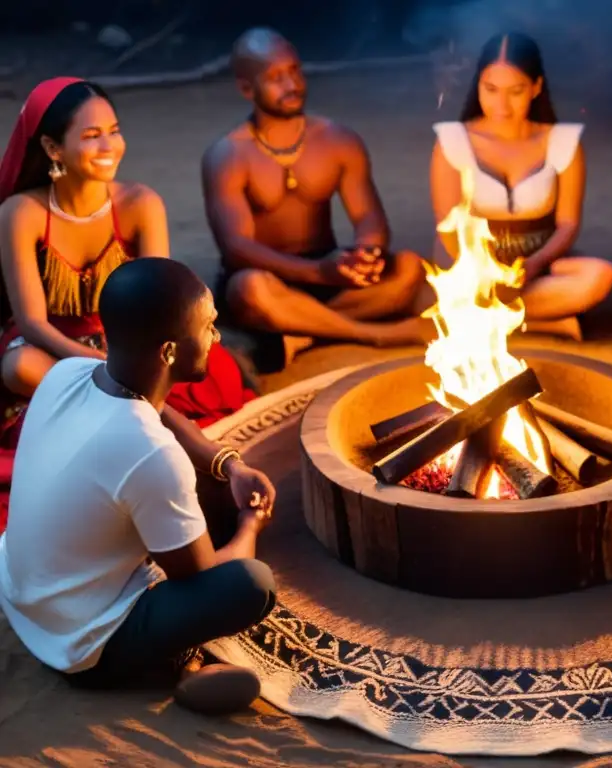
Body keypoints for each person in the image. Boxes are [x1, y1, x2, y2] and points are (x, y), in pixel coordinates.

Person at [0, 257, 277, 715]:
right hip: (81, 648)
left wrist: (228, 465)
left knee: (203, 490)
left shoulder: (65, 373)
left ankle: (179, 662)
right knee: (251, 584)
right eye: (208, 327)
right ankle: (173, 666)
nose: (217, 337)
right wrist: (251, 526)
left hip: (19, 596)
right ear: (168, 352)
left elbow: (159, 410)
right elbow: (202, 578)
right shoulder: (151, 453)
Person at [0, 77, 254, 533]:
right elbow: (32, 321)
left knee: (215, 371)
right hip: (53, 347)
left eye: (113, 130)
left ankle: (122, 405)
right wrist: (111, 366)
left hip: (133, 339)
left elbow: (164, 304)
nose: (110, 145)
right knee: (19, 369)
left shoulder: (140, 204)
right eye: (92, 135)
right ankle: (132, 408)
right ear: (53, 148)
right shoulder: (22, 212)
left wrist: (128, 360)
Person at [202, 27, 432, 372]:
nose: (292, 85)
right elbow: (237, 248)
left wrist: (366, 253)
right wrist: (319, 273)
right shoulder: (228, 154)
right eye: (276, 77)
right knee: (248, 289)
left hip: (330, 274)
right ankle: (374, 333)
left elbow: (369, 216)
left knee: (410, 267)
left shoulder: (337, 139)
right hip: (269, 277)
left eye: (295, 70)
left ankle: (300, 334)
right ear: (247, 88)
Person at [429, 32, 612, 341]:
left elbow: (568, 224)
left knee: (599, 276)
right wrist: (483, 275)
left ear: (536, 88)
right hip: (473, 269)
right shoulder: (453, 141)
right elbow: (448, 227)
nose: (501, 104)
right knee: (446, 290)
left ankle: (482, 323)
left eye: (515, 91)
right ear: (478, 87)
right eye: (491, 90)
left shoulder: (562, 141)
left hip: (540, 265)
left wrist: (534, 265)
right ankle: (547, 322)